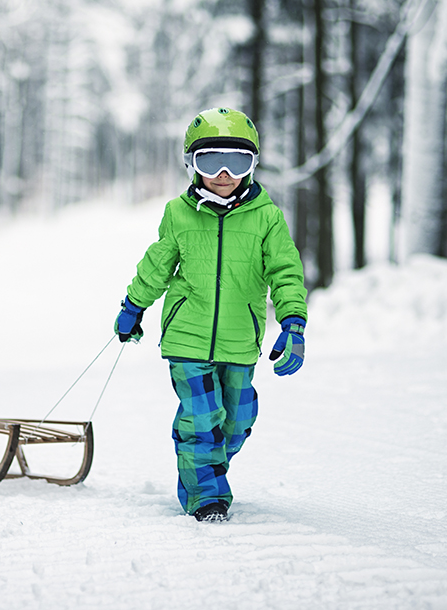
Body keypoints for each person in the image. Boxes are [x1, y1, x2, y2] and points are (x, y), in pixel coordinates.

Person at [114, 107, 308, 523]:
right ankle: (207, 498)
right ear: (191, 164)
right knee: (202, 419)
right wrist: (134, 306)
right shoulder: (179, 213)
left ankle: (205, 467)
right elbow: (157, 265)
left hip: (241, 339)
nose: (223, 173)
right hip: (187, 337)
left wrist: (293, 323)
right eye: (210, 161)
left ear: (253, 165)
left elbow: (286, 272)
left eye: (238, 162)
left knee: (235, 421)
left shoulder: (268, 218)